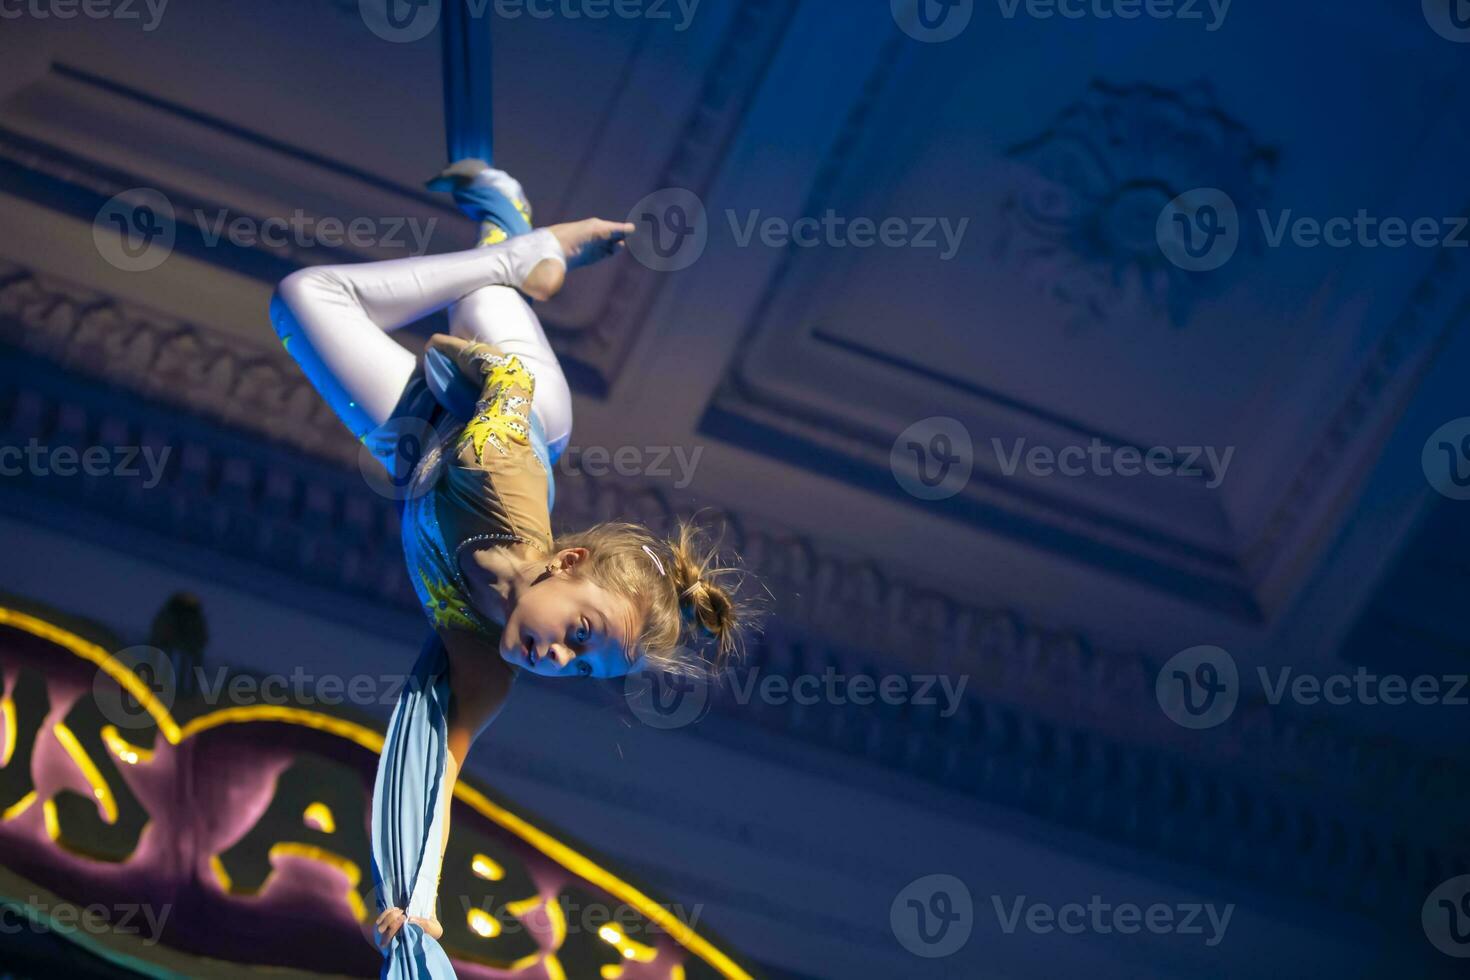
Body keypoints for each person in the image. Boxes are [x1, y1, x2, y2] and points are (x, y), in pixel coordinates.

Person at [268, 162, 747, 975]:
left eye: (580, 665)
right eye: (580, 632)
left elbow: (438, 774)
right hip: (504, 410)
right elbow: (506, 379)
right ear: (567, 560)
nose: (556, 658)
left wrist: (415, 908)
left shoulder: (486, 664)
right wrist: (464, 365)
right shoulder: (505, 473)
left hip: (417, 442)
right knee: (406, 298)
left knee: (299, 303)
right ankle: (523, 242)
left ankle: (509, 237)